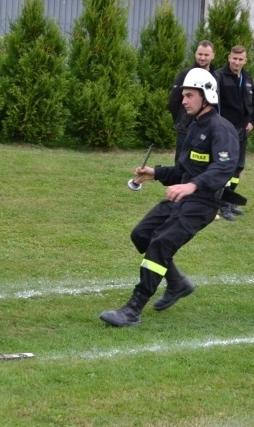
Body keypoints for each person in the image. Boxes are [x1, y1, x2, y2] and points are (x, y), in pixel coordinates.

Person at [100, 68, 239, 327]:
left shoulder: (222, 129)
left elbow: (224, 167)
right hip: (183, 197)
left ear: (206, 95)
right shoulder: (194, 125)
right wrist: (155, 173)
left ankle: (133, 310)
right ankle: (176, 283)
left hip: (203, 203)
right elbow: (184, 169)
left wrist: (192, 186)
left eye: (189, 95)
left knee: (160, 243)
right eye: (183, 95)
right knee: (142, 234)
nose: (183, 100)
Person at [212, 45, 254, 221]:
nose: (236, 62)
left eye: (240, 59)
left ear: (245, 60)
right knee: (225, 166)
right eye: (234, 58)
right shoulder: (218, 77)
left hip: (242, 130)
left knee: (237, 168)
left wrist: (252, 122)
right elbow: (213, 103)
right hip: (225, 131)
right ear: (228, 57)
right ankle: (222, 205)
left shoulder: (248, 79)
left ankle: (230, 201)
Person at [167, 41, 217, 162]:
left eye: (206, 55)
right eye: (200, 54)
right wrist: (181, 121)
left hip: (208, 129)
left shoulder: (216, 76)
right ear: (195, 54)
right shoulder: (186, 74)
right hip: (186, 129)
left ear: (213, 56)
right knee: (181, 163)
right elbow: (173, 101)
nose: (202, 57)